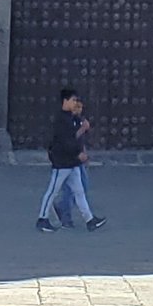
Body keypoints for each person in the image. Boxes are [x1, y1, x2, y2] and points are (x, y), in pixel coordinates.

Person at [37, 88, 103, 231]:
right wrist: (78, 153)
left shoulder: (71, 118)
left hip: (72, 162)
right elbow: (65, 141)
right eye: (73, 100)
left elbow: (74, 137)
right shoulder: (61, 120)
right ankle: (42, 218)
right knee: (52, 191)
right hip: (62, 163)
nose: (75, 103)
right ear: (65, 101)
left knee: (79, 192)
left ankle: (89, 219)